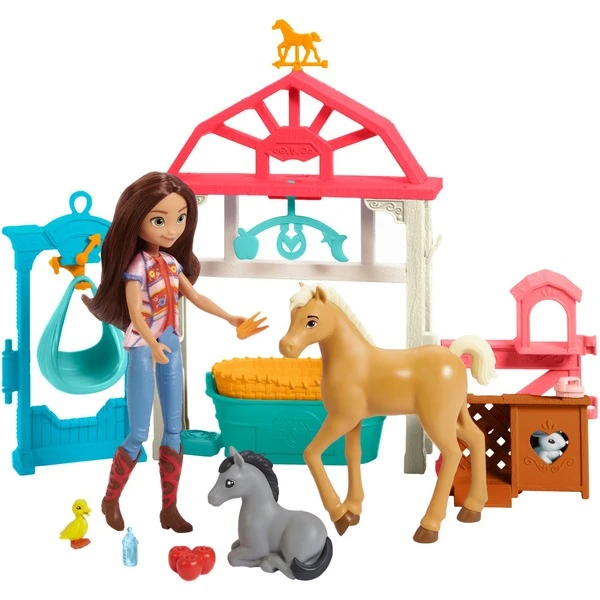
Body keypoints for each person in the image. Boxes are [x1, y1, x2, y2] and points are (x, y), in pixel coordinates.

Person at [84, 171, 246, 533]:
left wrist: (230, 318)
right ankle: (111, 499)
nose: (172, 229)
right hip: (144, 348)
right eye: (160, 221)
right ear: (136, 220)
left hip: (169, 344)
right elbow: (135, 312)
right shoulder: (136, 267)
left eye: (180, 218)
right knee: (139, 432)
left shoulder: (172, 264)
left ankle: (169, 509)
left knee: (174, 429)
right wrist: (151, 341)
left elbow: (195, 297)